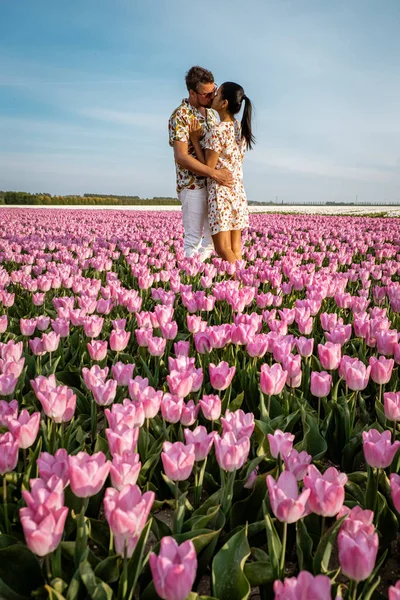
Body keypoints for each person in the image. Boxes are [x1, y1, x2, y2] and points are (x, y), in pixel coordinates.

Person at [168, 66, 233, 260]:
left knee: (212, 241)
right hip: (192, 184)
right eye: (206, 94)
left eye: (213, 92)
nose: (211, 96)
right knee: (193, 240)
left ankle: (200, 281)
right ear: (192, 93)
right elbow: (181, 156)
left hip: (213, 186)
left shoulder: (212, 114)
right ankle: (189, 281)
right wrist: (213, 173)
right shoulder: (180, 116)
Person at [189, 82, 255, 264]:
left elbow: (208, 168)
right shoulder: (240, 130)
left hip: (221, 194)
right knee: (235, 248)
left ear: (224, 103)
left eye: (216, 94)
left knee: (222, 248)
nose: (213, 97)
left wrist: (195, 140)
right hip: (237, 192)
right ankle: (243, 287)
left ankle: (240, 286)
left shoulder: (217, 131)